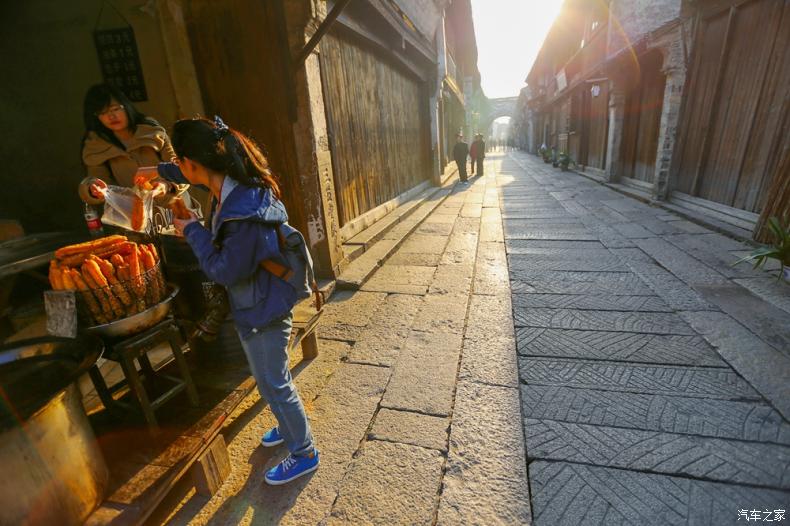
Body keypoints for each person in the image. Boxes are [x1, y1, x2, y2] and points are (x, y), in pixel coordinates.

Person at [170, 116, 319, 486]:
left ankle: (305, 452)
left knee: (275, 382)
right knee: (267, 378)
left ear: (195, 164)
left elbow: (223, 270)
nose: (178, 167)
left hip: (263, 306)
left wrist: (191, 230)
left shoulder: (241, 214)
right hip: (258, 299)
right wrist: (153, 170)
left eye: (178, 161)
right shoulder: (229, 185)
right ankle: (287, 428)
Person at [80, 84, 176, 192]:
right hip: (132, 207)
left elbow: (179, 168)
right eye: (103, 113)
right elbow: (97, 181)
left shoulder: (152, 131)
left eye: (115, 109)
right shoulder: (95, 146)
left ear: (126, 106)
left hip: (173, 203)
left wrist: (165, 186)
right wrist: (95, 191)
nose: (111, 116)